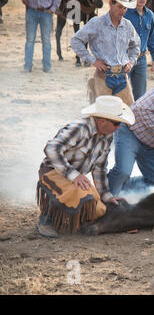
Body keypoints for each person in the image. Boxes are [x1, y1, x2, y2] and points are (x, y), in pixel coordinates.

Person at [36, 96, 135, 238]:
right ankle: (46, 220)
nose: (119, 127)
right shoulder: (80, 128)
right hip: (53, 171)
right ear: (102, 121)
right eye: (116, 123)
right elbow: (51, 148)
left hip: (72, 176)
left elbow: (100, 168)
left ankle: (75, 219)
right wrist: (73, 174)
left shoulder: (107, 136)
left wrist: (106, 195)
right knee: (82, 195)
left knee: (97, 205)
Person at [70, 0, 141, 107]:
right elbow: (75, 41)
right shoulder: (97, 23)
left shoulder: (128, 25)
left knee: (130, 114)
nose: (122, 11)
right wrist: (92, 60)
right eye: (119, 7)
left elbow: (136, 45)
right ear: (111, 4)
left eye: (125, 8)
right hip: (103, 77)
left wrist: (131, 62)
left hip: (122, 77)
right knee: (103, 115)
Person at [107, 81, 154, 196]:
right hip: (130, 131)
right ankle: (107, 193)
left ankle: (120, 186)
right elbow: (142, 109)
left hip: (152, 144)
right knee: (123, 172)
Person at [124, 0, 154, 101]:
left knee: (140, 96)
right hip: (125, 59)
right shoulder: (125, 13)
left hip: (141, 59)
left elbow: (151, 37)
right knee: (123, 93)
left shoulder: (150, 15)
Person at [19, 0, 62, 72]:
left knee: (46, 40)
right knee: (30, 40)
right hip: (32, 11)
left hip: (46, 12)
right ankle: (27, 66)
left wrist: (52, 9)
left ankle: (47, 67)